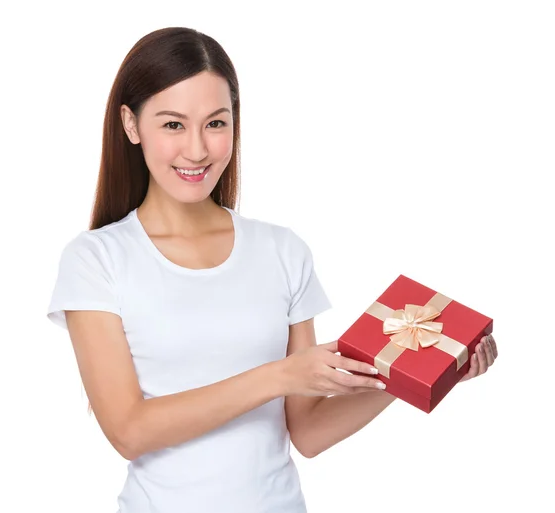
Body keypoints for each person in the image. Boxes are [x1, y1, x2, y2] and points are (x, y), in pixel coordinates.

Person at [46, 26, 498, 513]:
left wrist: (417, 372)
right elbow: (130, 431)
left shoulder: (282, 251)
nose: (197, 149)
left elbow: (307, 432)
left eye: (216, 123)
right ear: (131, 125)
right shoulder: (96, 260)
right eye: (173, 124)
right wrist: (281, 375)